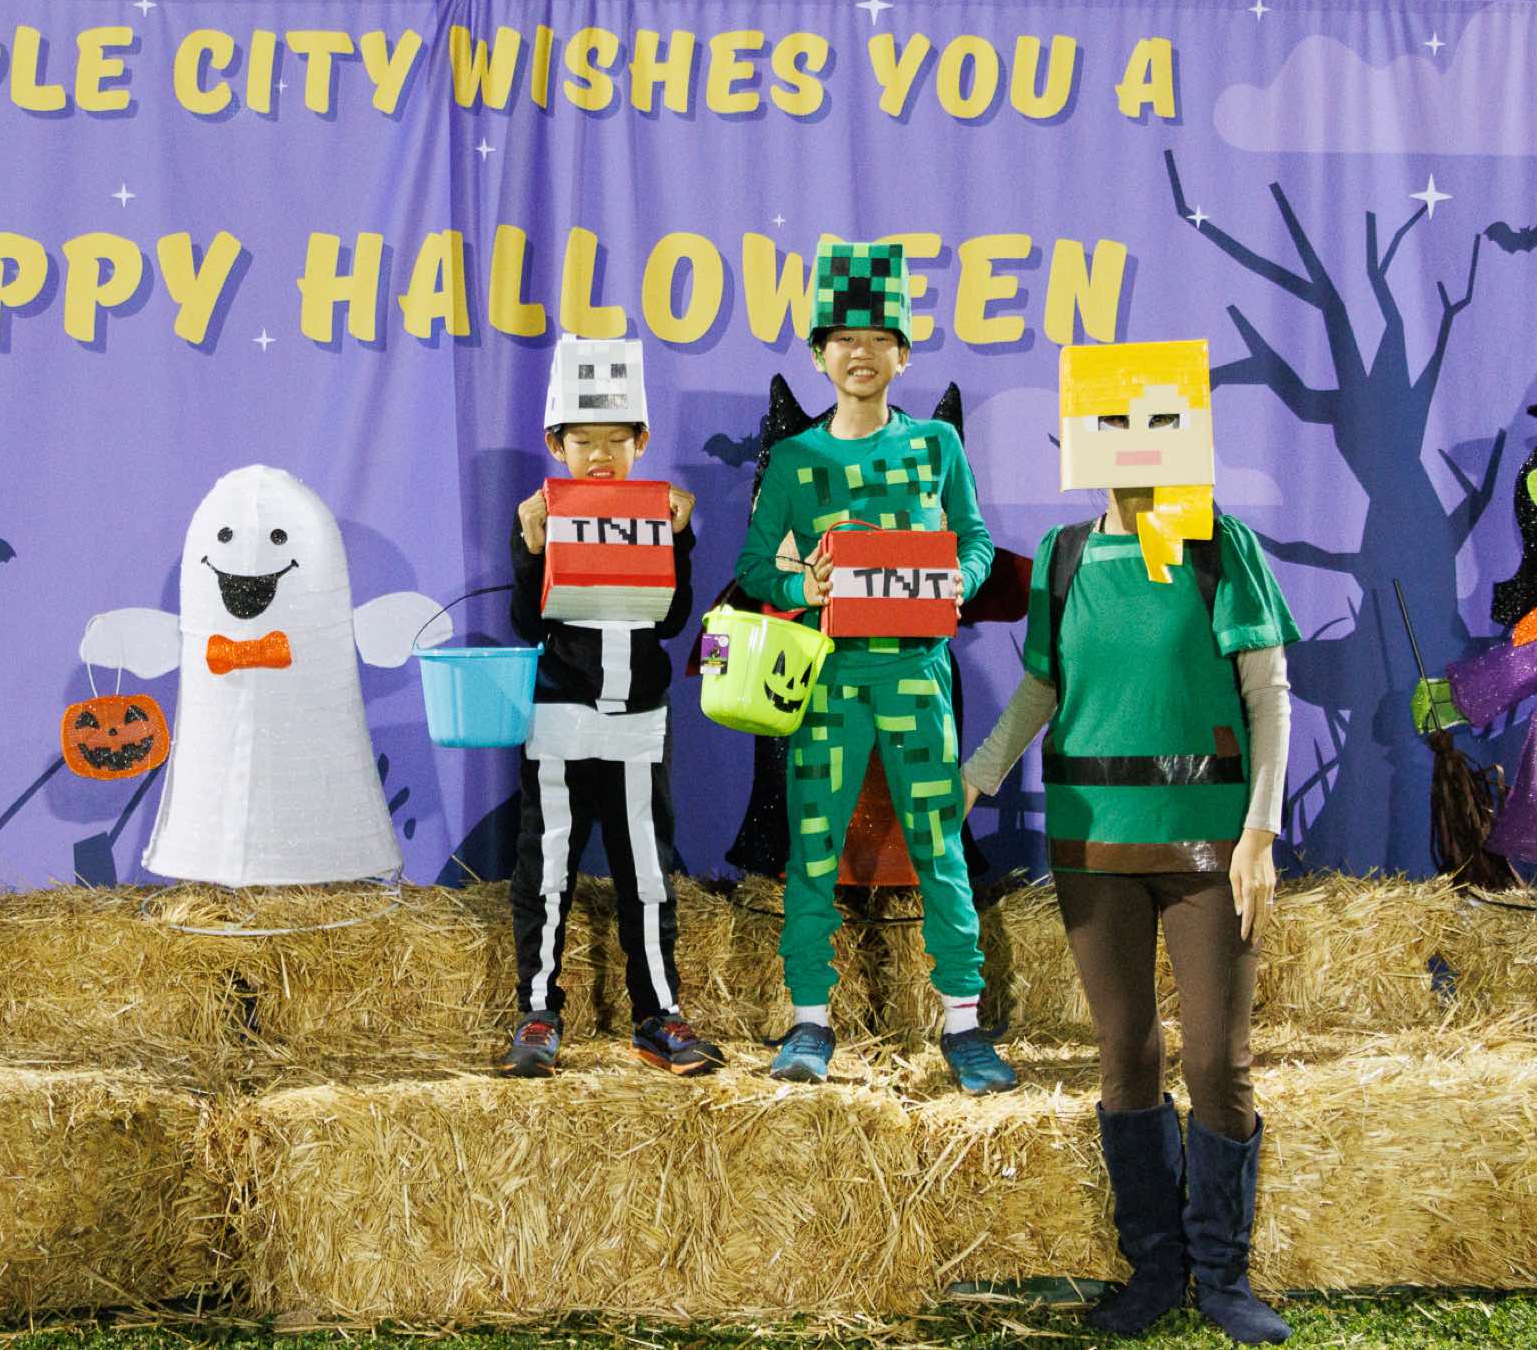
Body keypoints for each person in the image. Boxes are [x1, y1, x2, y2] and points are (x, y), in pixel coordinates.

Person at [961, 339, 1296, 1344]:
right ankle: (1152, 1267)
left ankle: (1221, 1275)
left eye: (1153, 422)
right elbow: (1042, 686)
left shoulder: (1219, 547)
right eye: (1112, 422)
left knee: (1217, 1060)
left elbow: (1268, 695)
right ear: (1079, 439)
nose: (1133, 443)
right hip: (1092, 847)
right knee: (1125, 1050)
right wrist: (976, 775)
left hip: (1207, 850)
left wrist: (1258, 831)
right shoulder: (1063, 558)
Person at [732, 239, 1013, 1094]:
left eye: (879, 337)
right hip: (828, 682)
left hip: (918, 678)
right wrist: (800, 584)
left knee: (940, 846)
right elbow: (753, 569)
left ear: (903, 354)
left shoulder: (936, 445)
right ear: (821, 353)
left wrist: (961, 582)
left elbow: (975, 540)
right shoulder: (795, 460)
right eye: (844, 338)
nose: (862, 352)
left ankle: (963, 1024)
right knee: (813, 847)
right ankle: (810, 1021)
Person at [498, 335, 724, 1079]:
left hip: (638, 725)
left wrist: (680, 539)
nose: (600, 455)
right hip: (559, 722)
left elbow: (672, 619)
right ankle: (538, 1011)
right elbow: (527, 624)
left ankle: (657, 1015)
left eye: (616, 440)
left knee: (647, 876)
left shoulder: (659, 512)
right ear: (555, 444)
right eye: (583, 440)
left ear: (641, 442)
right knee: (546, 872)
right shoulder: (540, 514)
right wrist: (531, 546)